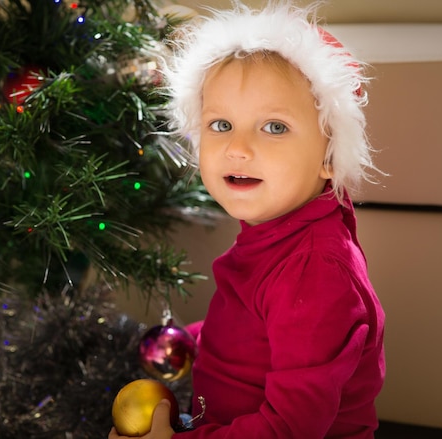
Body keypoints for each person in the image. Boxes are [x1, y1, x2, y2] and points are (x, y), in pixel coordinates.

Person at [109, 1, 386, 438]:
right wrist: (196, 341)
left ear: (330, 157)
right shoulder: (278, 233)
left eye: (274, 127)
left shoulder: (314, 270)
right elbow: (256, 328)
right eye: (220, 125)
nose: (238, 147)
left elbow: (290, 427)